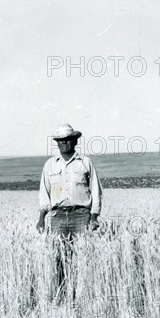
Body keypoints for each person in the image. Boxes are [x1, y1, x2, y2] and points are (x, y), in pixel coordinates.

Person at [36, 123, 103, 300]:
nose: (64, 143)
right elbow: (44, 192)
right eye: (61, 141)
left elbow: (96, 190)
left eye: (68, 140)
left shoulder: (86, 163)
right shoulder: (50, 165)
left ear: (74, 141)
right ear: (57, 143)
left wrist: (94, 216)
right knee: (58, 257)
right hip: (57, 217)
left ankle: (84, 295)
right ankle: (62, 295)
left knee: (84, 257)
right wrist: (42, 217)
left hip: (82, 216)